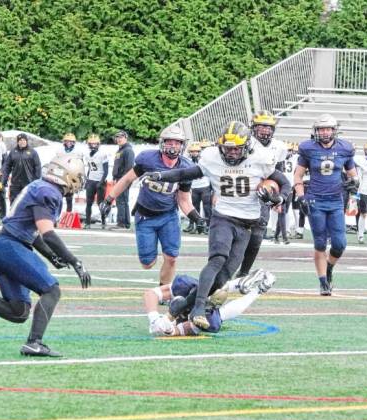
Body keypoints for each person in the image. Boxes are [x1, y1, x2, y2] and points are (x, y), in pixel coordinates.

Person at [134, 121, 291, 329]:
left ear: (247, 147)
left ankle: (179, 308)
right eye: (228, 148)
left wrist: (278, 198)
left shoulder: (260, 158)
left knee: (223, 277)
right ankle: (198, 309)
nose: (232, 153)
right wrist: (160, 175)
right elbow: (185, 174)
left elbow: (285, 183)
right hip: (223, 217)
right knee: (217, 260)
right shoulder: (212, 158)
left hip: (247, 224)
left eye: (236, 148)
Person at [0, 154, 91, 357]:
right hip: (11, 247)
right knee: (52, 290)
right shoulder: (48, 192)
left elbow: (31, 232)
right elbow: (47, 233)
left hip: (4, 246)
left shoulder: (40, 186)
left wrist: (52, 257)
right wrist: (75, 261)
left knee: (18, 311)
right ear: (69, 177)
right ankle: (34, 342)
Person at [100, 125, 203, 285]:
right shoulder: (148, 160)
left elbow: (183, 199)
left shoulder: (186, 167)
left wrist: (197, 218)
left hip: (168, 215)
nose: (173, 146)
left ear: (182, 145)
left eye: (177, 143)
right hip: (145, 216)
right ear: (162, 143)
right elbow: (127, 179)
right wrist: (109, 199)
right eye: (169, 142)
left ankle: (163, 291)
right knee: (147, 263)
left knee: (171, 257)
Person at [293, 114, 359, 296]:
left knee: (340, 244)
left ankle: (329, 267)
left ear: (334, 130)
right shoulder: (308, 149)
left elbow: (353, 175)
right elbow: (298, 176)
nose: (324, 132)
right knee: (320, 243)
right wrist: (301, 196)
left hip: (336, 200)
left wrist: (354, 183)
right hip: (315, 200)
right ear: (316, 131)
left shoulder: (345, 149)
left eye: (328, 129)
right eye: (321, 129)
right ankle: (323, 281)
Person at [145, 270, 275, 337]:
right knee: (217, 315)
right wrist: (157, 321)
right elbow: (150, 294)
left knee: (216, 310)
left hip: (202, 308)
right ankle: (251, 288)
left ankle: (251, 288)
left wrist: (165, 326)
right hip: (197, 303)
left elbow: (182, 329)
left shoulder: (185, 286)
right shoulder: (184, 286)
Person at [236, 111, 287, 278]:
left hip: (262, 193)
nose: (265, 130)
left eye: (269, 127)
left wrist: (276, 197)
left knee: (257, 237)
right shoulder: (245, 143)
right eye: (261, 126)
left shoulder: (279, 146)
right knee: (235, 236)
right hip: (240, 193)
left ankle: (243, 272)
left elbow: (278, 175)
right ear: (253, 127)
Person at [2, 133, 42, 203]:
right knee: (14, 202)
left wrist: (36, 182)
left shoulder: (33, 152)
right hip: (15, 183)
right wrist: (4, 180)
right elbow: (7, 167)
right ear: (17, 142)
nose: (22, 141)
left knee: (28, 202)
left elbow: (38, 167)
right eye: (20, 140)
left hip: (28, 183)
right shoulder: (13, 152)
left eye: (24, 140)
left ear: (26, 141)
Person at [183, 141, 211, 234]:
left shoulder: (205, 160)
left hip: (204, 186)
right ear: (190, 152)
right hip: (194, 187)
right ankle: (194, 226)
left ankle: (208, 226)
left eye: (196, 151)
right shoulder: (187, 161)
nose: (194, 153)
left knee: (207, 208)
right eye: (192, 151)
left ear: (199, 152)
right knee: (194, 208)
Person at [83, 134, 109, 229]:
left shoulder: (103, 154)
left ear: (98, 144)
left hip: (100, 180)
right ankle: (87, 222)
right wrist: (87, 180)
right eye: (91, 144)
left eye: (95, 144)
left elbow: (106, 171)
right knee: (88, 202)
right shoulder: (87, 155)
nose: (93, 146)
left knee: (100, 203)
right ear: (89, 144)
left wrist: (101, 182)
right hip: (91, 180)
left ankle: (103, 221)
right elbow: (90, 168)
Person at [110, 130, 134, 229]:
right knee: (122, 200)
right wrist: (115, 177)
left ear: (126, 138)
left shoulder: (128, 150)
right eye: (117, 137)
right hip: (119, 178)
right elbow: (117, 166)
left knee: (121, 201)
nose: (119, 139)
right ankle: (126, 223)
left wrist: (123, 180)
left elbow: (129, 167)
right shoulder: (120, 150)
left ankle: (121, 223)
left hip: (124, 179)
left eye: (121, 137)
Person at [57, 133, 83, 213]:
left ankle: (68, 216)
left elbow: (80, 166)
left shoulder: (77, 152)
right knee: (58, 198)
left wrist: (80, 179)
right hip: (61, 176)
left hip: (71, 176)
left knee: (69, 198)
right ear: (64, 142)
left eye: (71, 142)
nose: (69, 143)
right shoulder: (59, 151)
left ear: (74, 143)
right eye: (67, 141)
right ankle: (56, 216)